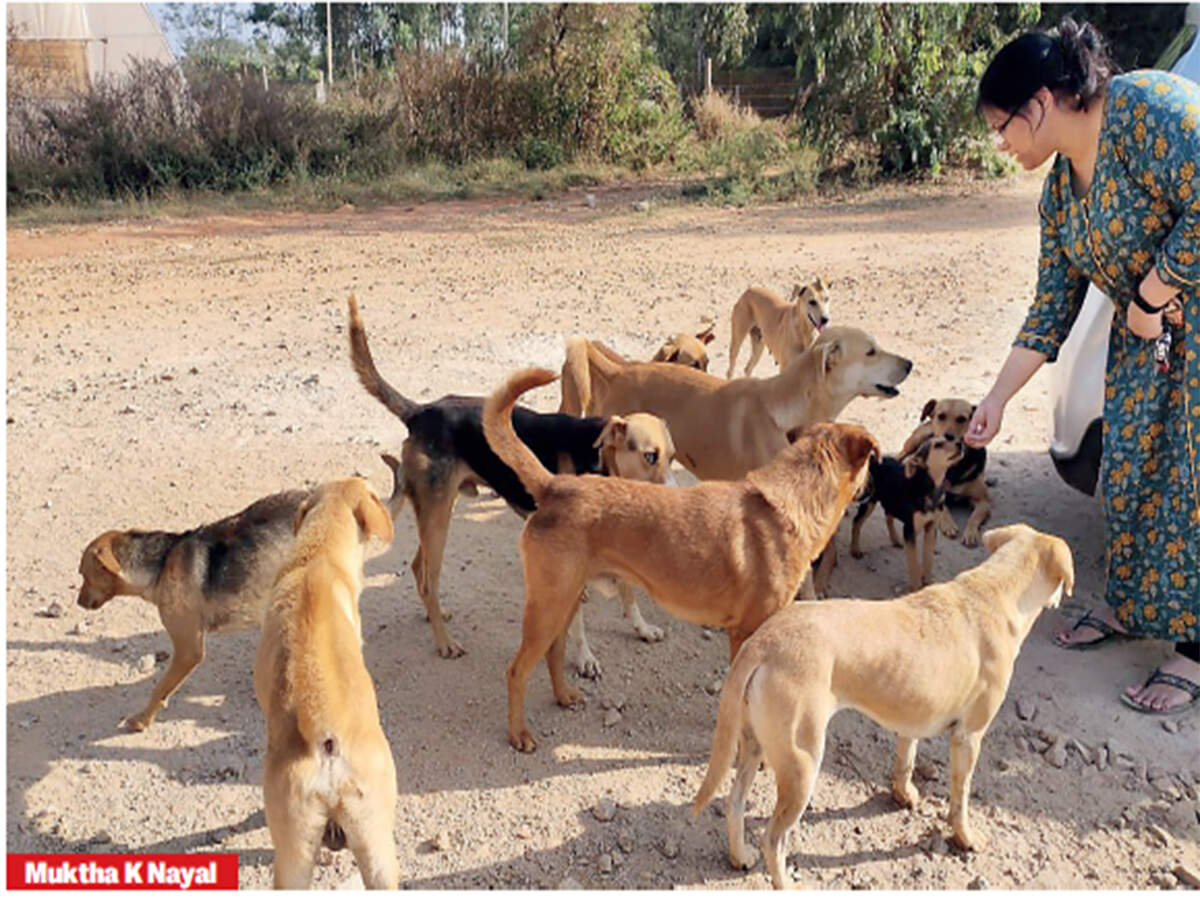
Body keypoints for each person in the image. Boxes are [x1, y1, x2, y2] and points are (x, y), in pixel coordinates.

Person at [967, 18, 1199, 714]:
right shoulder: (1062, 193)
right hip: (1147, 337)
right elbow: (1049, 310)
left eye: (1002, 126)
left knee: (1191, 485)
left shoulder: (1145, 110)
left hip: (1179, 318)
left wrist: (1155, 289)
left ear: (1039, 104)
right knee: (1131, 477)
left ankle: (1195, 653)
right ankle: (1139, 612)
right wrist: (996, 400)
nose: (999, 144)